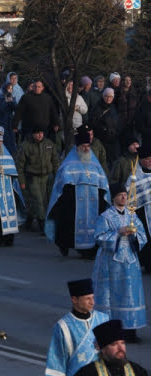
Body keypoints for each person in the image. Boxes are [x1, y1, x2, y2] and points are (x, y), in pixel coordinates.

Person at [92, 183, 147, 343]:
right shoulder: (106, 216)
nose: (124, 197)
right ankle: (113, 331)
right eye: (120, 195)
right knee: (113, 296)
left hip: (130, 262)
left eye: (125, 195)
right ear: (114, 197)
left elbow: (142, 235)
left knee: (131, 295)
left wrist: (134, 236)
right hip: (111, 264)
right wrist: (118, 233)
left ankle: (130, 331)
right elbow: (99, 237)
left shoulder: (132, 215)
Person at [45, 127, 110, 257]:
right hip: (74, 202)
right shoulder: (69, 163)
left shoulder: (94, 164)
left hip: (93, 201)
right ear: (77, 146)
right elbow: (62, 183)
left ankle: (90, 250)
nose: (86, 148)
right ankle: (65, 245)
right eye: (83, 146)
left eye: (88, 146)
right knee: (69, 225)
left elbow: (102, 182)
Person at [42, 279, 109, 376]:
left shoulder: (103, 320)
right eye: (88, 298)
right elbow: (57, 362)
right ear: (74, 300)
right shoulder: (63, 326)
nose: (92, 302)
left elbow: (116, 353)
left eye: (93, 298)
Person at [61, 319, 151, 376]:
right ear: (102, 349)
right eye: (114, 344)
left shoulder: (138, 372)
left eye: (122, 343)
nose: (120, 348)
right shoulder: (88, 375)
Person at [16, 126, 59, 233]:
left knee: (44, 201)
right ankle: (43, 226)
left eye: (42, 133)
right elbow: (20, 165)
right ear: (33, 134)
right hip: (32, 177)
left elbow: (55, 161)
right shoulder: (26, 146)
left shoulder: (49, 144)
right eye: (37, 133)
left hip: (47, 177)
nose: (40, 135)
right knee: (38, 201)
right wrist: (21, 181)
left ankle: (29, 220)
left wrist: (58, 177)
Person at [125, 141, 151, 270]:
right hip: (143, 214)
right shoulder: (134, 178)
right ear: (140, 160)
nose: (150, 161)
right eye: (147, 159)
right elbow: (129, 200)